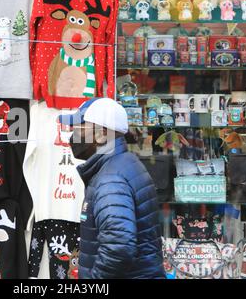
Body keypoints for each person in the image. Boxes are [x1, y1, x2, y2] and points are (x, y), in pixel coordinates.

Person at [58, 98, 165, 279]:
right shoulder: (123, 163)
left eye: (79, 128)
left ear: (101, 134)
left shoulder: (110, 179)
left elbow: (119, 247)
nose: (72, 135)